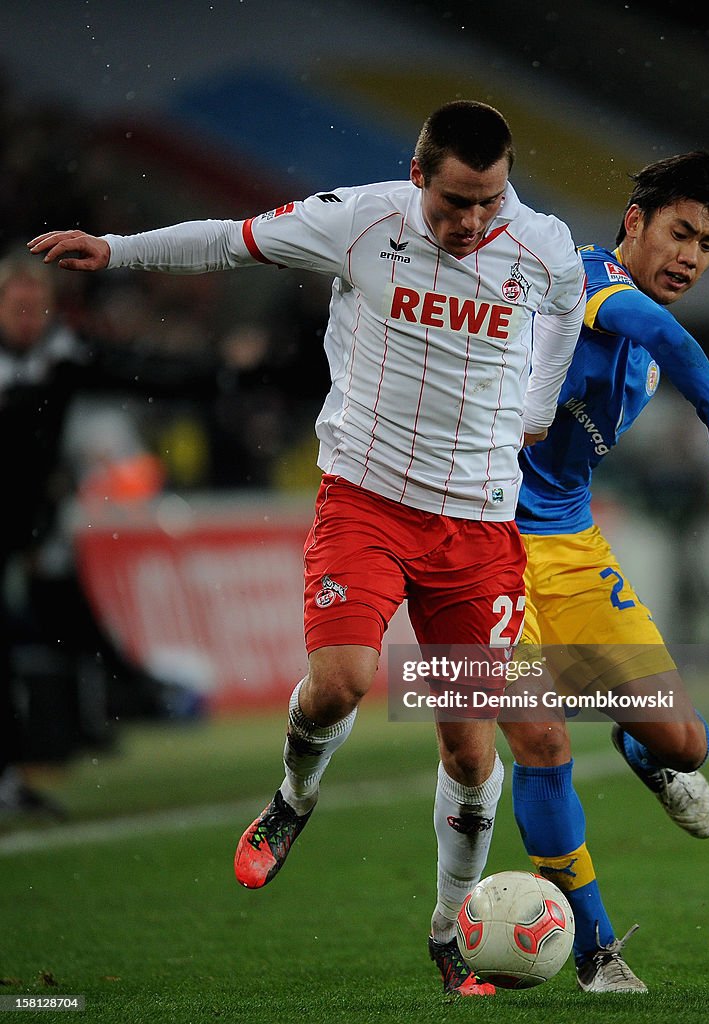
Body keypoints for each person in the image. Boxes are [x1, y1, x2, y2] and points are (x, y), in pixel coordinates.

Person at [28, 100, 588, 997]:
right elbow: (231, 239)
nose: (473, 223)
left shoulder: (545, 244)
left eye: (489, 202)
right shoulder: (360, 220)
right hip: (364, 500)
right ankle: (294, 796)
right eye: (454, 203)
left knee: (471, 755)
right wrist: (118, 250)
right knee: (341, 682)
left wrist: (535, 408)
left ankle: (451, 928)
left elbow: (567, 312)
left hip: (478, 528)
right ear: (418, 176)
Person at [497, 151, 709, 993]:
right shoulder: (584, 280)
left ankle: (638, 744)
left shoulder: (647, 324)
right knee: (538, 737)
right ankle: (595, 950)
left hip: (573, 549)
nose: (692, 255)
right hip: (481, 550)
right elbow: (661, 335)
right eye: (680, 232)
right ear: (634, 224)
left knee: (686, 744)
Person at [0, 253, 254, 817]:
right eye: (16, 306)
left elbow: (142, 371)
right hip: (26, 527)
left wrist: (216, 368)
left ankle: (74, 733)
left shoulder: (59, 357)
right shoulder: (48, 364)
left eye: (34, 306)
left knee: (69, 630)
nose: (27, 317)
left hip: (28, 528)